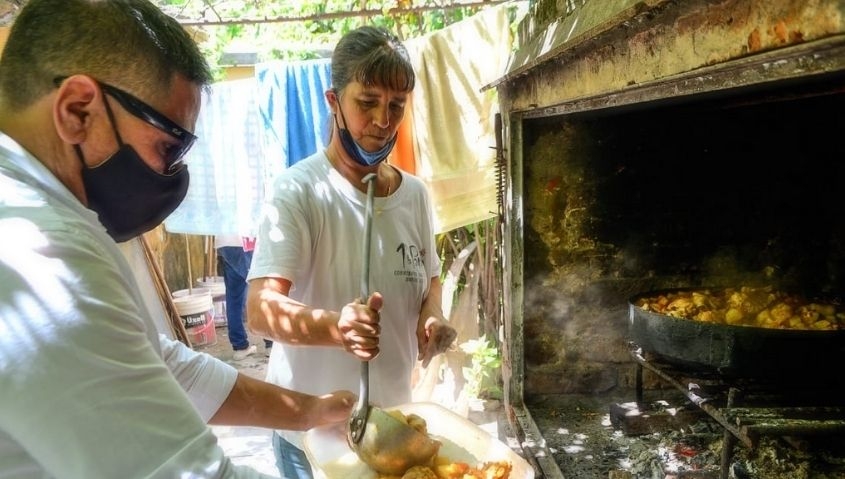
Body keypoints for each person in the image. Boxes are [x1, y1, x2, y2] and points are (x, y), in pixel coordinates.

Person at [0, 1, 355, 478]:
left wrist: (311, 412)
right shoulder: (40, 252)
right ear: (77, 110)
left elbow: (165, 365)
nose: (173, 176)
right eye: (169, 147)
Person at [245, 26, 458, 478]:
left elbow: (430, 277)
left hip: (395, 428)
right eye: (367, 102)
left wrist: (431, 316)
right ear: (333, 101)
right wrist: (334, 327)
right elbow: (259, 311)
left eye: (396, 105)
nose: (383, 120)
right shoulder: (298, 192)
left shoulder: (414, 195)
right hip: (313, 439)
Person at [215, 234, 272, 359]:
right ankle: (270, 344)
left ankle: (240, 347)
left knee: (233, 297)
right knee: (261, 291)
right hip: (246, 241)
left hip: (224, 244)